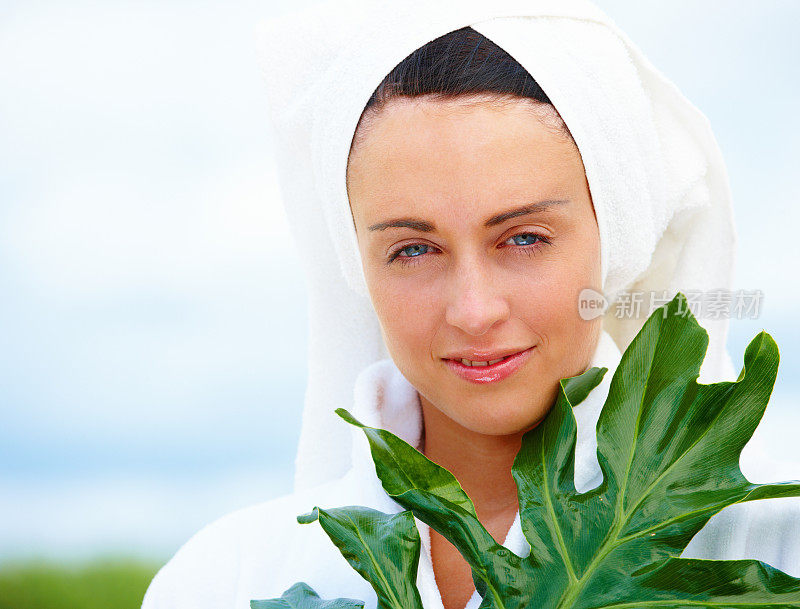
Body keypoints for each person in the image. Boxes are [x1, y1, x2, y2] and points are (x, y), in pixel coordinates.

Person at [141, 2, 800, 608]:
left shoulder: (771, 545)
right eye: (414, 249)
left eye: (524, 238)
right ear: (357, 263)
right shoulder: (228, 579)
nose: (474, 309)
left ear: (615, 237)